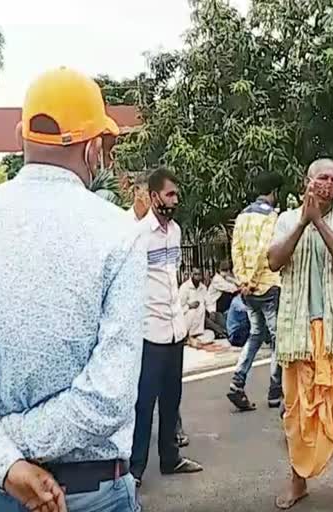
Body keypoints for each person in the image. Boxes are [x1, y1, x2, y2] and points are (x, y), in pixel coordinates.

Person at [0, 67, 145, 512]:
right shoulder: (119, 234)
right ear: (93, 147)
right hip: (91, 493)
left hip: (2, 491)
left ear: (22, 138)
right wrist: (9, 450)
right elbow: (108, 397)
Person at [268, 158, 333, 512]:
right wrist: (302, 223)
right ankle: (298, 483)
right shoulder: (284, 220)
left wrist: (318, 222)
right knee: (296, 413)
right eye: (321, 177)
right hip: (297, 335)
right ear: (306, 181)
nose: (328, 183)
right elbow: (274, 261)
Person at [131, 168, 203, 488]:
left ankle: (170, 459)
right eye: (170, 194)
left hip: (175, 330)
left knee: (171, 400)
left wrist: (182, 324)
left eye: (177, 194)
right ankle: (134, 470)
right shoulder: (136, 233)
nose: (175, 200)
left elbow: (171, 279)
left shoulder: (175, 231)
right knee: (144, 404)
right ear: (154, 196)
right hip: (149, 332)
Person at [229, 172, 284, 411]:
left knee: (255, 334)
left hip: (248, 290)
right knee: (277, 340)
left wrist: (243, 281)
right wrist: (252, 279)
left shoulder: (242, 216)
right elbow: (266, 250)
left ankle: (237, 382)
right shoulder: (272, 217)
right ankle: (274, 391)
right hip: (268, 284)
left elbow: (236, 249)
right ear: (274, 192)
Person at [206, 260, 239, 338]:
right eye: (224, 270)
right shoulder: (217, 280)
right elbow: (233, 288)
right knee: (228, 331)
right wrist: (232, 280)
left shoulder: (225, 278)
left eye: (228, 270)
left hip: (225, 308)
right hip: (215, 310)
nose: (227, 272)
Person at [179, 268, 212, 342]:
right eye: (195, 274)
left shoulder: (203, 288)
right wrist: (189, 306)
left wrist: (211, 312)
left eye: (199, 274)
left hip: (200, 319)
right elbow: (179, 308)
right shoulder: (184, 287)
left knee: (202, 307)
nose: (197, 277)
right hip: (187, 317)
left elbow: (209, 302)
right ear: (191, 275)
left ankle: (195, 335)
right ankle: (186, 335)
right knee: (194, 310)